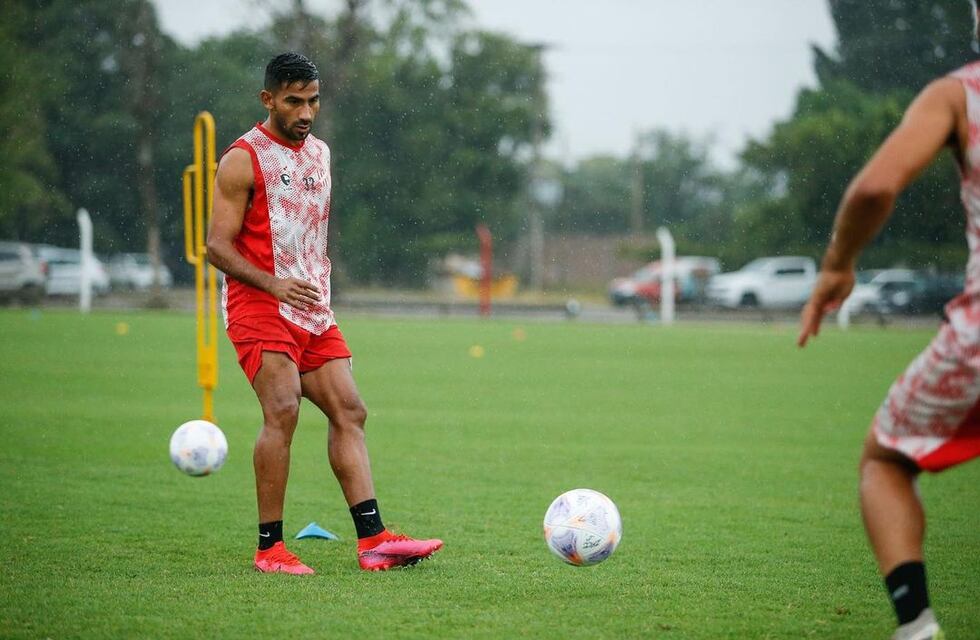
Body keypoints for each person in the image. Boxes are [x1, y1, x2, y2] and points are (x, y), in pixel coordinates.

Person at [206, 52, 442, 574]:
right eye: (294, 101)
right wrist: (273, 283)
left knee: (350, 411)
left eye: (313, 100)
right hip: (259, 303)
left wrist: (312, 288)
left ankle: (374, 541)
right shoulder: (241, 159)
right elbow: (216, 248)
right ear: (268, 100)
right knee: (283, 408)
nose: (306, 112)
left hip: (313, 308)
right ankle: (270, 549)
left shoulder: (321, 154)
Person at [797, 7, 980, 639]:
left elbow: (874, 190)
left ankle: (918, 625)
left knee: (885, 458)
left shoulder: (959, 94)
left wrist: (838, 264)